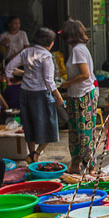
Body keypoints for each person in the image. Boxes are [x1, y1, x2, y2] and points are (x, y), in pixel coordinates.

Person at [5, 28, 64, 164]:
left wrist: (18, 77)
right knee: (50, 126)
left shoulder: (26, 52)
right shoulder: (46, 56)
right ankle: (36, 153)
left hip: (25, 93)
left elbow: (9, 68)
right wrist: (58, 96)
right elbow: (49, 80)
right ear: (50, 43)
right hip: (41, 94)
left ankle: (31, 155)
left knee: (29, 124)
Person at [58, 20, 97, 174]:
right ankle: (75, 164)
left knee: (84, 133)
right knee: (74, 132)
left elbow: (85, 75)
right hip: (76, 96)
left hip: (83, 96)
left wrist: (67, 84)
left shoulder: (78, 50)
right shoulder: (77, 49)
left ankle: (90, 166)